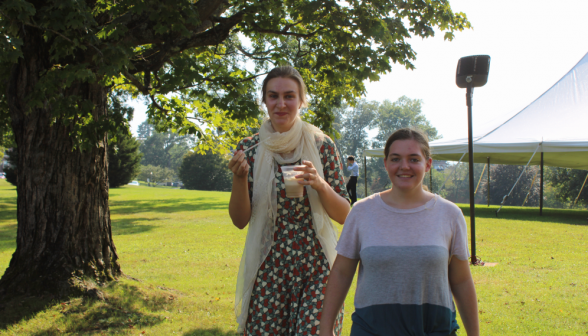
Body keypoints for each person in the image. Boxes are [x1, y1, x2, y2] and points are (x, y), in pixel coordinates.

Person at [319, 128, 480, 336]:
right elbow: (341, 273)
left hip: (434, 329)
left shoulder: (450, 214)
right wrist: (326, 328)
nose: (404, 166)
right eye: (396, 159)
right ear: (386, 163)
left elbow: (461, 281)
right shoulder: (362, 212)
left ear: (428, 164)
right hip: (372, 329)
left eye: (414, 159)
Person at [228, 66, 352, 335]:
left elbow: (344, 214)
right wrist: (239, 179)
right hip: (269, 267)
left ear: (301, 101)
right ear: (264, 100)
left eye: (289, 96)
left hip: (317, 266)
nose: (281, 104)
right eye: (273, 96)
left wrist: (319, 184)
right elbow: (239, 221)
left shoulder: (321, 145)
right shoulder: (250, 148)